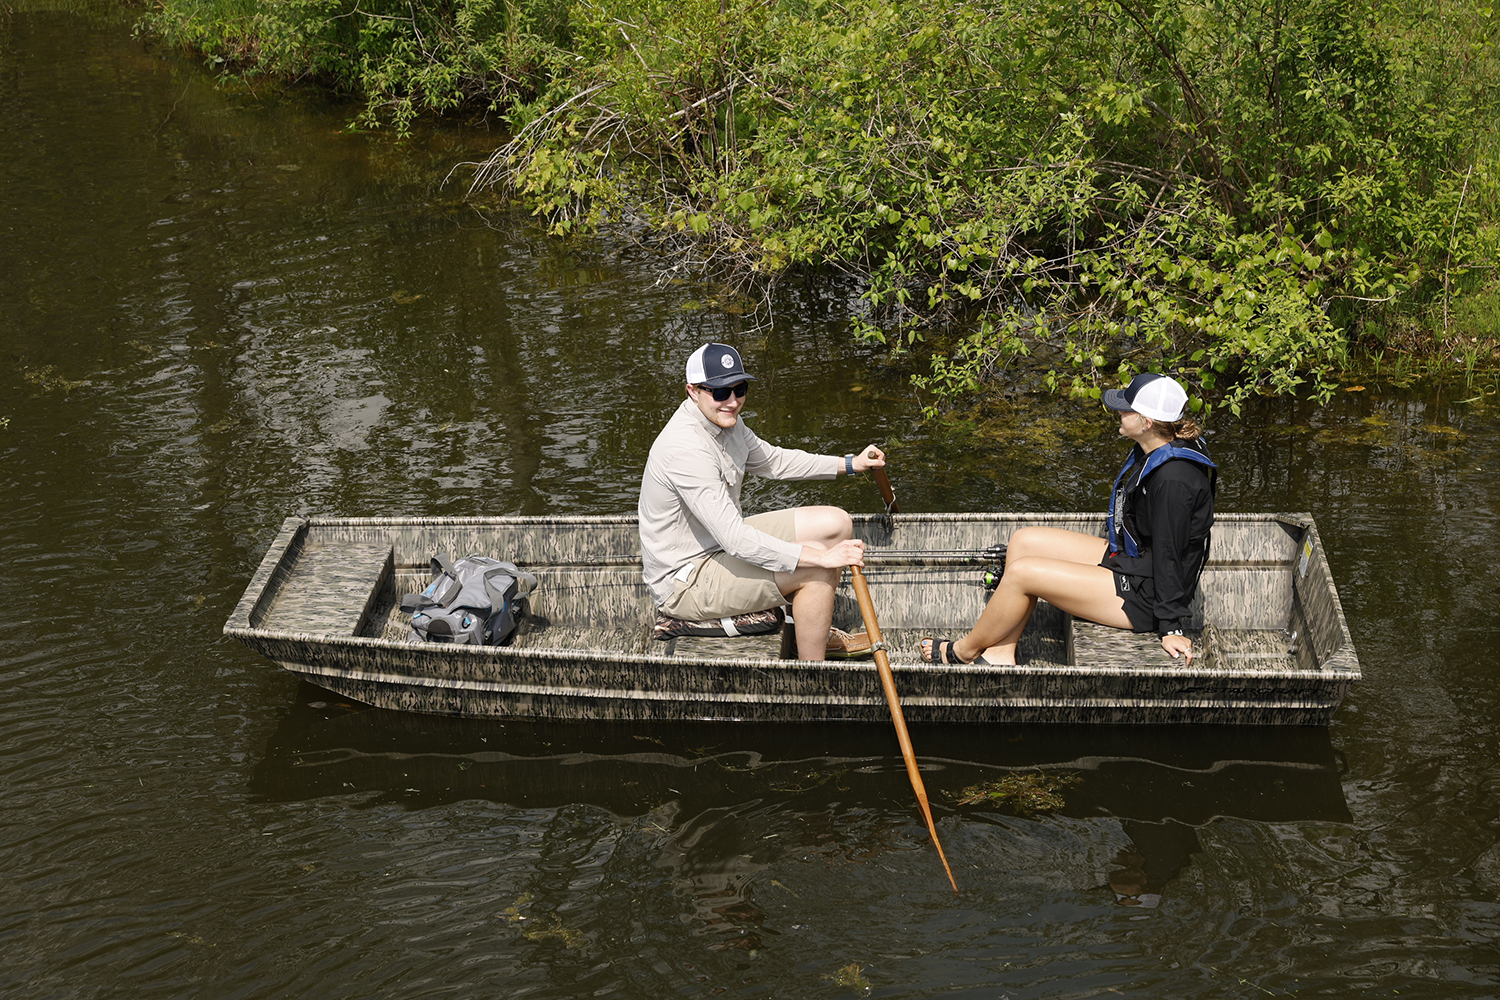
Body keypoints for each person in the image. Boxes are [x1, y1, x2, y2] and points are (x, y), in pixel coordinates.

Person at [921, 372, 1216, 665]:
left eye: (1127, 408)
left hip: (1146, 596)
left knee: (1023, 573)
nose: (1119, 412)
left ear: (1147, 422)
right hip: (1135, 560)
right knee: (1024, 541)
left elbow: (1170, 553)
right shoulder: (1159, 443)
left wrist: (1170, 626)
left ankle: (964, 651)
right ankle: (1000, 653)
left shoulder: (1173, 481)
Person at [639, 343, 886, 660]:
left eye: (739, 389)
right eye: (719, 392)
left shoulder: (725, 419)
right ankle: (812, 673)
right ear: (692, 391)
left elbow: (775, 462)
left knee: (835, 524)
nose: (732, 401)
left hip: (719, 547)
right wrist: (820, 559)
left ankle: (813, 631)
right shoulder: (686, 451)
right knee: (818, 568)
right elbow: (737, 540)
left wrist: (850, 463)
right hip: (687, 582)